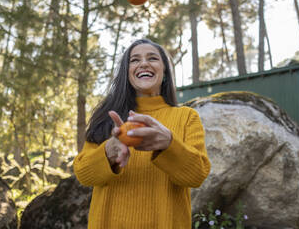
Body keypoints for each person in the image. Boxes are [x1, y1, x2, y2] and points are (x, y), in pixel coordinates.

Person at [73, 38, 211, 229]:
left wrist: (169, 144)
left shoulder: (187, 117)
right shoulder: (108, 118)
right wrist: (109, 151)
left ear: (164, 73)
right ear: (127, 73)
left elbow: (197, 176)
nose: (144, 63)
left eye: (152, 58)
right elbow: (84, 175)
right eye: (135, 60)